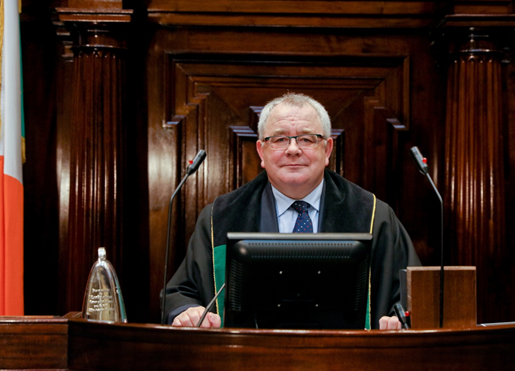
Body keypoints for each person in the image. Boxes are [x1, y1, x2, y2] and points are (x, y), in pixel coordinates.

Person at [164, 92, 421, 330]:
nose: (293, 149)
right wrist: (188, 311)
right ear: (261, 151)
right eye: (279, 139)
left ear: (327, 149)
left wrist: (399, 320)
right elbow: (181, 293)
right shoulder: (218, 218)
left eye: (307, 139)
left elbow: (414, 296)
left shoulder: (375, 217)